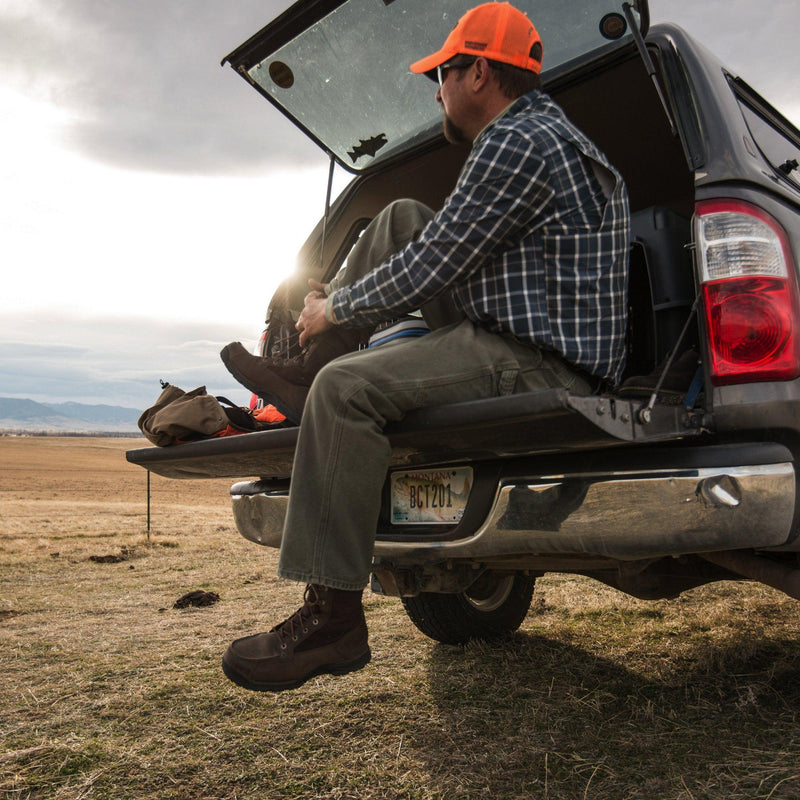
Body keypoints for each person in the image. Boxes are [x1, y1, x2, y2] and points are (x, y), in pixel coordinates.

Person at [219, 1, 630, 693]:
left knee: (344, 392)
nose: (434, 90)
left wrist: (334, 308)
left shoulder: (518, 141)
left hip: (539, 361)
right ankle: (305, 374)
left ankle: (333, 619)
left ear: (476, 73)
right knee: (402, 215)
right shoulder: (540, 133)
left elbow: (440, 260)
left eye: (438, 75)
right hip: (512, 331)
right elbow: (432, 241)